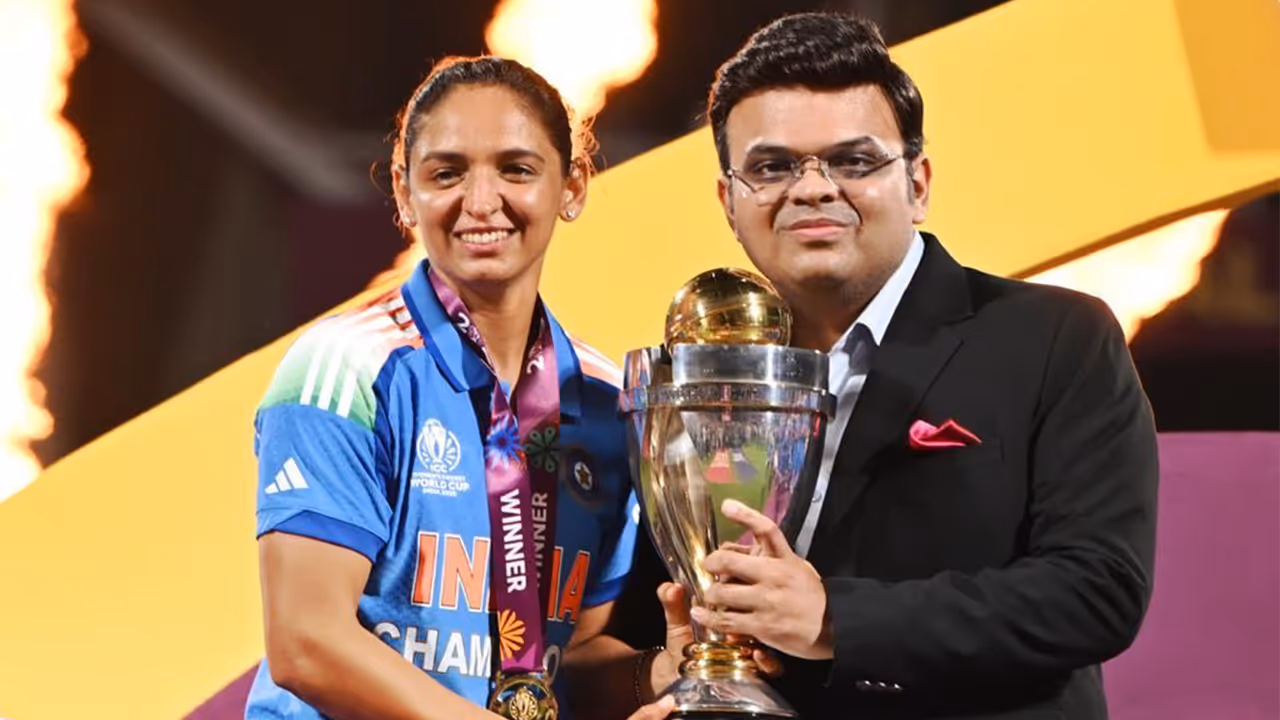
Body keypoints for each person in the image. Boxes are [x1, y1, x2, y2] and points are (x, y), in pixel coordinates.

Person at [611, 12, 1159, 719]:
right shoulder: (698, 378)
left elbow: (1096, 589)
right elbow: (639, 616)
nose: (811, 188)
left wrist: (837, 619)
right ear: (729, 199)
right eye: (772, 167)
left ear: (918, 182)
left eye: (853, 160)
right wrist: (674, 670)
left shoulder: (1056, 336)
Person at [245, 55, 688, 720]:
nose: (481, 203)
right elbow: (308, 645)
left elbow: (561, 665)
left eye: (516, 168)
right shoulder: (346, 369)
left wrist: (662, 673)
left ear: (573, 185)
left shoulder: (605, 401)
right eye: (447, 173)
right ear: (403, 191)